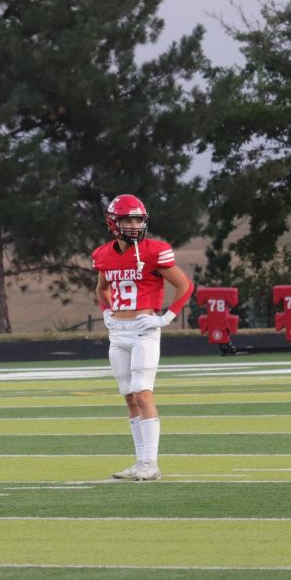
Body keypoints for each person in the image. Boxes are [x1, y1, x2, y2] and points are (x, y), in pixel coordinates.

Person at [93, 194, 194, 481]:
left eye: (138, 219)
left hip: (143, 330)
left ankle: (151, 463)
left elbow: (184, 285)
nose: (134, 225)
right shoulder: (103, 254)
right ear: (113, 222)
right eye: (127, 220)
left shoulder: (154, 251)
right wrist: (106, 311)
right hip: (118, 333)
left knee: (142, 391)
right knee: (129, 397)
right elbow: (102, 289)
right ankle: (140, 461)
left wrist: (166, 317)